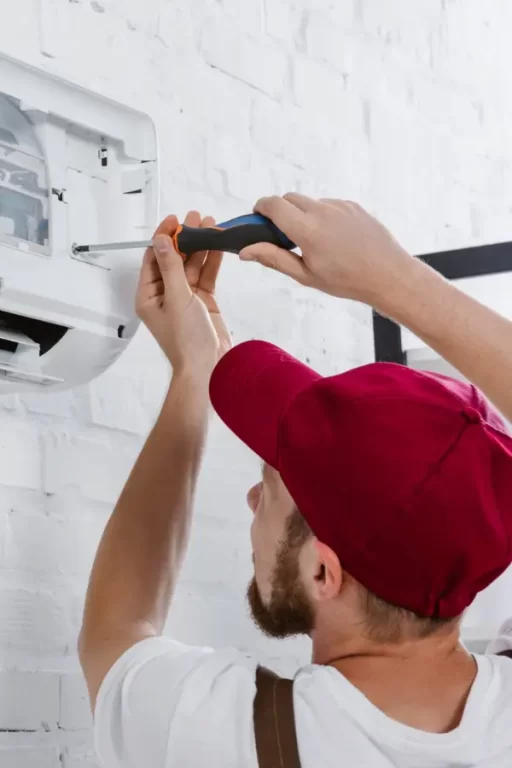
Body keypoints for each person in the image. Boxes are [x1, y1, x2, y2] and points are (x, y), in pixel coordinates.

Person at [78, 195, 512, 767]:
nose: (253, 498)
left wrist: (191, 375)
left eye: (271, 486)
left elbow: (114, 631)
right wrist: (395, 278)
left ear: (324, 572)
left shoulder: (229, 735)